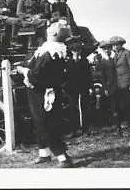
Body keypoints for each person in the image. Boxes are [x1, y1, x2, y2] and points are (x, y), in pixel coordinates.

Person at [16, 21, 74, 168]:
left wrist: (23, 71)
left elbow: (37, 74)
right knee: (39, 121)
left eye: (51, 27)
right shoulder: (55, 48)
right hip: (43, 90)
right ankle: (44, 153)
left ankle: (63, 157)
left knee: (46, 123)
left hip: (44, 92)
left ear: (54, 33)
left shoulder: (51, 50)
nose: (48, 28)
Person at [65, 42, 92, 137]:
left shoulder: (85, 61)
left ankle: (85, 129)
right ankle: (74, 130)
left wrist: (90, 87)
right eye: (74, 51)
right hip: (72, 89)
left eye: (78, 50)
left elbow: (89, 76)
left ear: (80, 51)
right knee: (72, 108)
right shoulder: (68, 62)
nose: (76, 52)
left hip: (83, 88)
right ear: (71, 52)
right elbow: (66, 76)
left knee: (84, 108)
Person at [99, 40, 122, 135]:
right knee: (114, 107)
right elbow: (103, 77)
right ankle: (118, 127)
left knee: (122, 105)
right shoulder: (103, 61)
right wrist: (105, 89)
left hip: (120, 84)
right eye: (104, 49)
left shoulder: (115, 57)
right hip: (110, 87)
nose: (106, 51)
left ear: (110, 48)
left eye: (107, 48)